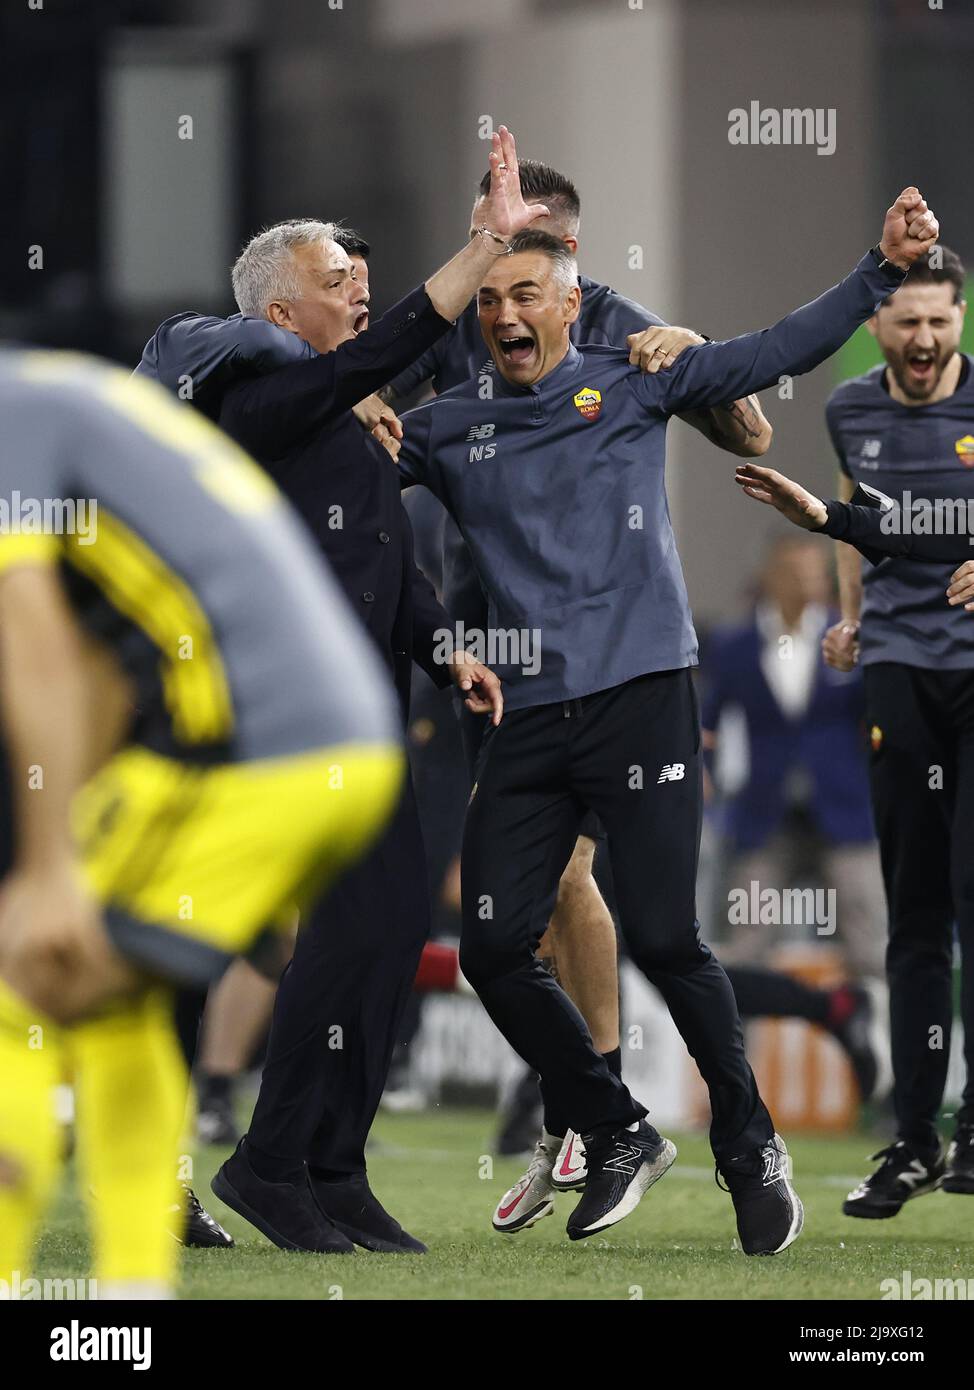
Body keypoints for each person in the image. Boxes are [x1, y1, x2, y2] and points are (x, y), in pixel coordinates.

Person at [394, 183, 939, 1253]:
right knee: (494, 948)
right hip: (525, 714)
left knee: (664, 935)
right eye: (486, 299)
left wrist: (877, 273)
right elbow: (342, 466)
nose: (503, 315)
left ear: (566, 303)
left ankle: (749, 1145)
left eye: (524, 296)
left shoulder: (634, 376)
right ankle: (615, 1128)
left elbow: (771, 351)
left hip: (643, 698)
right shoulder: (445, 427)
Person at [139, 128, 543, 1255]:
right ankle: (238, 1163)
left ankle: (324, 1164)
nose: (361, 303)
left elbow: (386, 562)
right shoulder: (254, 406)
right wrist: (477, 248)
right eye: (337, 287)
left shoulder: (347, 418)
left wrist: (442, 647)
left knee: (378, 933)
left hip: (359, 720)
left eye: (367, 286)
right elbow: (395, 342)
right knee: (236, 941)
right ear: (275, 316)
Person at [386, 159, 774, 1170]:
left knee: (573, 872)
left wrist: (689, 349)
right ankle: (586, 1099)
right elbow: (370, 413)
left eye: (529, 240)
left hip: (605, 639)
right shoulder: (460, 314)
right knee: (516, 889)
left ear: (568, 253)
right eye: (491, 232)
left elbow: (751, 428)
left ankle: (589, 1100)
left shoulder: (610, 321)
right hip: (482, 622)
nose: (506, 276)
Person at [0, 349, 404, 1298]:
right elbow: (102, 673)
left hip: (254, 749)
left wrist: (54, 865)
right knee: (110, 1006)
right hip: (340, 743)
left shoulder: (11, 423)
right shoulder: (69, 399)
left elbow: (41, 657)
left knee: (22, 982)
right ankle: (133, 1296)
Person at [736, 451, 974, 1209]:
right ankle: (745, 1107)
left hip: (845, 813)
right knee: (728, 952)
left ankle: (917, 1099)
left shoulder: (868, 631)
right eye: (796, 569)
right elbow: (710, 722)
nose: (807, 580)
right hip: (765, 819)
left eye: (820, 566)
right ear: (773, 575)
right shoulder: (740, 643)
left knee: (884, 942)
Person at [814, 243, 974, 1216]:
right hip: (898, 676)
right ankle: (910, 1138)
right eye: (905, 322)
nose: (922, 341)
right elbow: (851, 523)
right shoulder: (848, 410)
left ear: (958, 321)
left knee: (970, 891)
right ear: (877, 327)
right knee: (912, 913)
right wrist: (849, 618)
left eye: (938, 322)